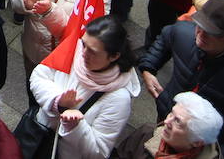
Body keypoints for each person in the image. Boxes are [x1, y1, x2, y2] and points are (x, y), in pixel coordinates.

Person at [138, 0, 224, 159]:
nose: (201, 34)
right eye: (200, 25)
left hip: (202, 146)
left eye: (212, 32)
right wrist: (148, 67)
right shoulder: (184, 32)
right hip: (168, 120)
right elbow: (166, 37)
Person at [26, 15, 141, 159]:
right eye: (84, 44)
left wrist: (75, 126)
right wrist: (57, 101)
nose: (83, 54)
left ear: (114, 56)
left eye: (93, 51)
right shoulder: (74, 49)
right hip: (35, 137)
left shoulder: (119, 99)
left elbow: (99, 152)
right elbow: (38, 75)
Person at [113, 92, 224, 159]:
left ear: (196, 142)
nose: (166, 122)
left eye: (177, 121)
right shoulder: (148, 132)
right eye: (171, 113)